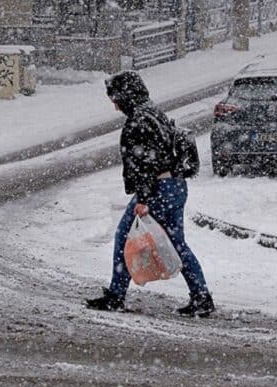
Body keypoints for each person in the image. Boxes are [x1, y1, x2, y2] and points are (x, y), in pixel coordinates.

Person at [85, 71, 214, 317]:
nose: (114, 106)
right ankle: (201, 296)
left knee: (125, 236)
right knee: (177, 244)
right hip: (175, 187)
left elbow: (145, 163)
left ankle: (116, 296)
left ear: (125, 96)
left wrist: (143, 199)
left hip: (157, 190)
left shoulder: (139, 120)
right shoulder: (153, 112)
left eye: (115, 99)